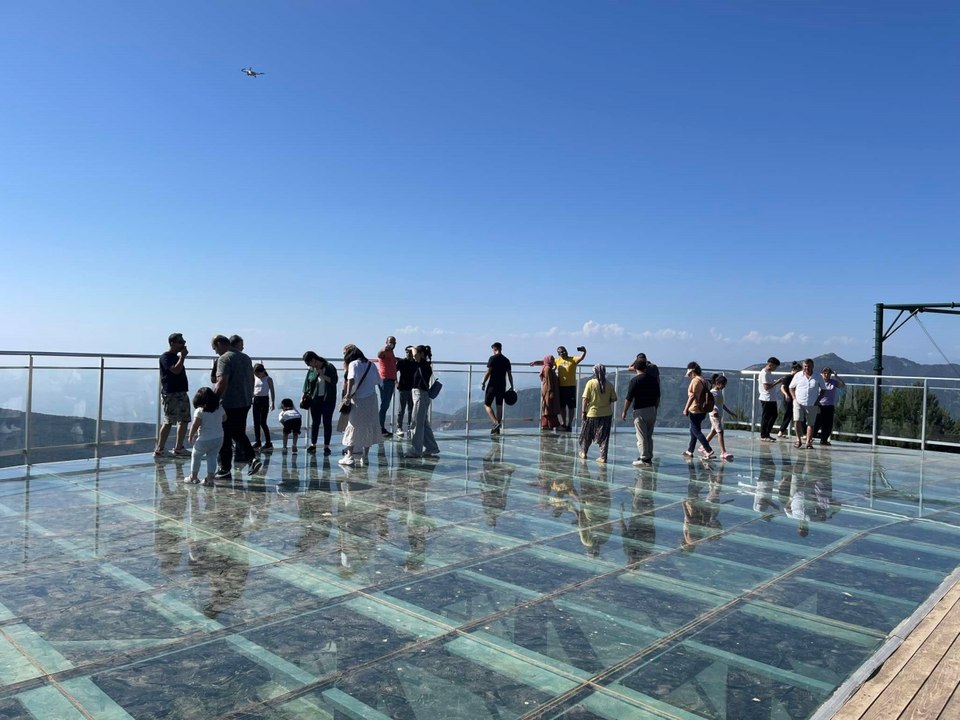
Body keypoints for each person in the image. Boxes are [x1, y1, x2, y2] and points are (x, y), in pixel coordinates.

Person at [211, 334, 262, 479]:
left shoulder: (224, 358)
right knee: (238, 432)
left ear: (220, 344)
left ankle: (224, 469)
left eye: (215, 348)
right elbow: (251, 379)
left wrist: (213, 400)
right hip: (245, 402)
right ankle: (252, 459)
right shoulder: (245, 358)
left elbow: (221, 382)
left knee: (225, 436)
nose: (215, 352)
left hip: (229, 403)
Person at [339, 345, 382, 466]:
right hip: (371, 399)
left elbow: (351, 379)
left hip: (358, 399)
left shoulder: (353, 364)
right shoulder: (371, 365)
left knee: (353, 425)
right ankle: (365, 456)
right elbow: (378, 381)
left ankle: (349, 456)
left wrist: (348, 395)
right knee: (368, 426)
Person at [530, 345, 586, 431]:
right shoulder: (557, 361)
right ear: (559, 354)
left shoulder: (572, 359)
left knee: (571, 407)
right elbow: (546, 362)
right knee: (562, 407)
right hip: (561, 387)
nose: (564, 353)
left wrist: (584, 351)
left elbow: (581, 358)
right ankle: (563, 423)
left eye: (565, 351)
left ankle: (569, 424)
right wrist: (535, 363)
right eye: (561, 352)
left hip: (571, 386)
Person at [620, 353, 660, 466]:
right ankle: (649, 456)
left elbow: (629, 398)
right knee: (648, 435)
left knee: (641, 436)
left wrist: (624, 411)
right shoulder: (653, 380)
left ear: (636, 367)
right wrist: (655, 408)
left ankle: (644, 458)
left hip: (640, 410)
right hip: (652, 409)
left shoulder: (635, 380)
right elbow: (658, 396)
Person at [155, 332, 191, 457]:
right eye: (181, 342)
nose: (183, 344)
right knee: (169, 421)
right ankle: (160, 449)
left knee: (184, 419)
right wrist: (183, 357)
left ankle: (179, 447)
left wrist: (181, 357)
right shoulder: (165, 357)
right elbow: (175, 370)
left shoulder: (176, 357)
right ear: (172, 343)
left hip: (181, 392)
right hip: (170, 393)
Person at [406, 345, 440, 458]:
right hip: (422, 395)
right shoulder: (425, 365)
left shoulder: (423, 364)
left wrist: (412, 347)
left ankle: (416, 450)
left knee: (416, 423)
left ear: (421, 354)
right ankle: (432, 447)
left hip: (420, 395)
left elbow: (415, 355)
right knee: (423, 424)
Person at [185, 387, 224, 486]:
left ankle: (193, 477)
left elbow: (195, 425)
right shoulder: (219, 408)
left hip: (204, 439)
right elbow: (225, 418)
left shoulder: (200, 411)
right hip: (219, 438)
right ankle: (209, 479)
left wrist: (190, 435)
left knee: (196, 455)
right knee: (212, 457)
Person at [301, 352, 338, 456]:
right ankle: (313, 444)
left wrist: (322, 375)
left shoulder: (329, 367)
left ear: (314, 359)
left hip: (328, 399)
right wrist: (303, 396)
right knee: (315, 422)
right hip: (315, 399)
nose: (309, 366)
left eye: (309, 363)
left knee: (327, 422)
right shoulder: (311, 370)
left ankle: (326, 446)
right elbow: (307, 383)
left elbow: (333, 381)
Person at [578, 364, 617, 463]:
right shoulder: (609, 384)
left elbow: (585, 399)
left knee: (586, 434)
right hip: (606, 414)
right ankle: (603, 457)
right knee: (604, 437)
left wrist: (583, 412)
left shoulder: (590, 383)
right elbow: (613, 398)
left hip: (592, 413)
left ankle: (584, 453)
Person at [789, 358, 827, 449]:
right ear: (803, 366)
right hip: (798, 402)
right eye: (805, 366)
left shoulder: (818, 376)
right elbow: (791, 387)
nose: (807, 368)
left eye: (809, 366)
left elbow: (823, 389)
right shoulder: (798, 375)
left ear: (813, 366)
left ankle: (808, 442)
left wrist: (818, 400)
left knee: (811, 423)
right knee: (797, 420)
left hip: (812, 403)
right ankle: (798, 440)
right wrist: (794, 398)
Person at [682, 361, 715, 460]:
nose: (689, 376)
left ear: (692, 372)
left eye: (689, 374)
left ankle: (708, 450)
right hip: (703, 409)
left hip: (695, 409)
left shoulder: (695, 381)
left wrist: (685, 409)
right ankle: (690, 450)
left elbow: (692, 396)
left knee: (696, 431)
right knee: (694, 430)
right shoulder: (703, 379)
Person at [481, 342, 514, 434]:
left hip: (492, 385)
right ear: (501, 348)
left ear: (494, 349)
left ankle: (495, 423)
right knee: (499, 405)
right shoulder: (506, 360)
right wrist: (512, 386)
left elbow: (488, 372)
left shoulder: (492, 358)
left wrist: (483, 382)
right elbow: (509, 375)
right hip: (502, 385)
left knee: (487, 404)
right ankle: (497, 429)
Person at [704, 374, 737, 460]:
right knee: (720, 432)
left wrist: (730, 412)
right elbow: (709, 403)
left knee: (713, 431)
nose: (724, 386)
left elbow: (721, 404)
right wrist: (713, 410)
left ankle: (703, 446)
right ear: (717, 383)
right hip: (714, 415)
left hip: (719, 415)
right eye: (723, 385)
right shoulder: (712, 392)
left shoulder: (719, 392)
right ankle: (723, 452)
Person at [813, 367, 846, 445]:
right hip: (820, 405)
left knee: (828, 424)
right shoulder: (818, 382)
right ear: (822, 374)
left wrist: (836, 377)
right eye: (824, 373)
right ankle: (810, 436)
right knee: (817, 422)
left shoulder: (833, 382)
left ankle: (824, 440)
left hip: (829, 406)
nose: (826, 375)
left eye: (828, 373)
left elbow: (842, 385)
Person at [377, 336, 398, 437]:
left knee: (386, 405)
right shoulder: (385, 351)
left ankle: (381, 427)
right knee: (384, 405)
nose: (392, 344)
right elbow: (379, 355)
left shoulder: (391, 353)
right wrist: (384, 349)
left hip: (390, 380)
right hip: (385, 380)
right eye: (390, 342)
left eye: (393, 342)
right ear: (386, 342)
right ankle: (380, 428)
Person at [251, 363, 275, 451]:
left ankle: (268, 442)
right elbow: (253, 389)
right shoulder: (255, 378)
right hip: (256, 399)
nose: (257, 375)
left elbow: (272, 391)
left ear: (263, 371)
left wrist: (272, 402)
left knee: (263, 422)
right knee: (256, 422)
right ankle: (258, 441)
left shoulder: (268, 379)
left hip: (264, 400)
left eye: (258, 373)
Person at [758, 357, 781, 442]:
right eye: (775, 366)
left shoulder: (769, 373)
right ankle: (763, 435)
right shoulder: (764, 373)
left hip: (771, 398)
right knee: (766, 417)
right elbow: (766, 387)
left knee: (774, 415)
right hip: (766, 398)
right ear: (771, 365)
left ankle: (767, 433)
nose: (775, 368)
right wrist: (777, 382)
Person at [394, 346, 416, 436]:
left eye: (410, 352)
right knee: (401, 409)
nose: (408, 354)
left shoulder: (415, 363)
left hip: (413, 388)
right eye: (407, 352)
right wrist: (396, 382)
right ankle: (399, 427)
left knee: (411, 409)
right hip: (403, 388)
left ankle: (410, 427)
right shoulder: (401, 362)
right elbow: (394, 372)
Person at [777, 361, 802, 438]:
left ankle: (803, 433)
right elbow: (782, 387)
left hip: (795, 398)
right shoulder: (788, 377)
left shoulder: (797, 378)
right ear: (794, 370)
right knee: (788, 414)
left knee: (799, 415)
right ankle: (781, 431)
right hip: (788, 398)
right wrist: (786, 394)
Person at [537, 355, 561, 430]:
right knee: (550, 408)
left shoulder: (548, 368)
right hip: (549, 391)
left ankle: (546, 425)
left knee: (549, 408)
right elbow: (548, 381)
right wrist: (551, 391)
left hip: (548, 390)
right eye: (552, 359)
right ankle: (551, 424)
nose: (553, 361)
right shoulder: (547, 369)